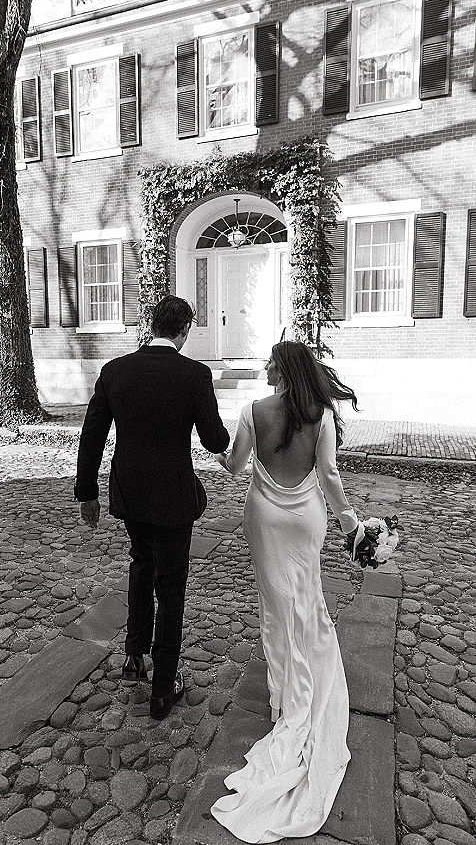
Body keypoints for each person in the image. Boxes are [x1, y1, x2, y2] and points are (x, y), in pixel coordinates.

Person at [210, 340, 359, 843]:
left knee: (275, 608)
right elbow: (331, 477)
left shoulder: (253, 410)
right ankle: (307, 678)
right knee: (308, 602)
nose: (267, 366)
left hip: (265, 517)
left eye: (272, 361)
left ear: (283, 367)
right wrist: (352, 525)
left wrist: (219, 451)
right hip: (307, 519)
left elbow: (235, 468)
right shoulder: (322, 417)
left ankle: (285, 696)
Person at [75, 295, 230, 720]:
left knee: (141, 562)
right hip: (173, 494)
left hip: (129, 490)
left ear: (151, 325)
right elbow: (214, 439)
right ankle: (163, 686)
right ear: (184, 330)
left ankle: (133, 656)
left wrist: (86, 491)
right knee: (171, 582)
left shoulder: (115, 371)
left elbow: (92, 435)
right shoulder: (194, 374)